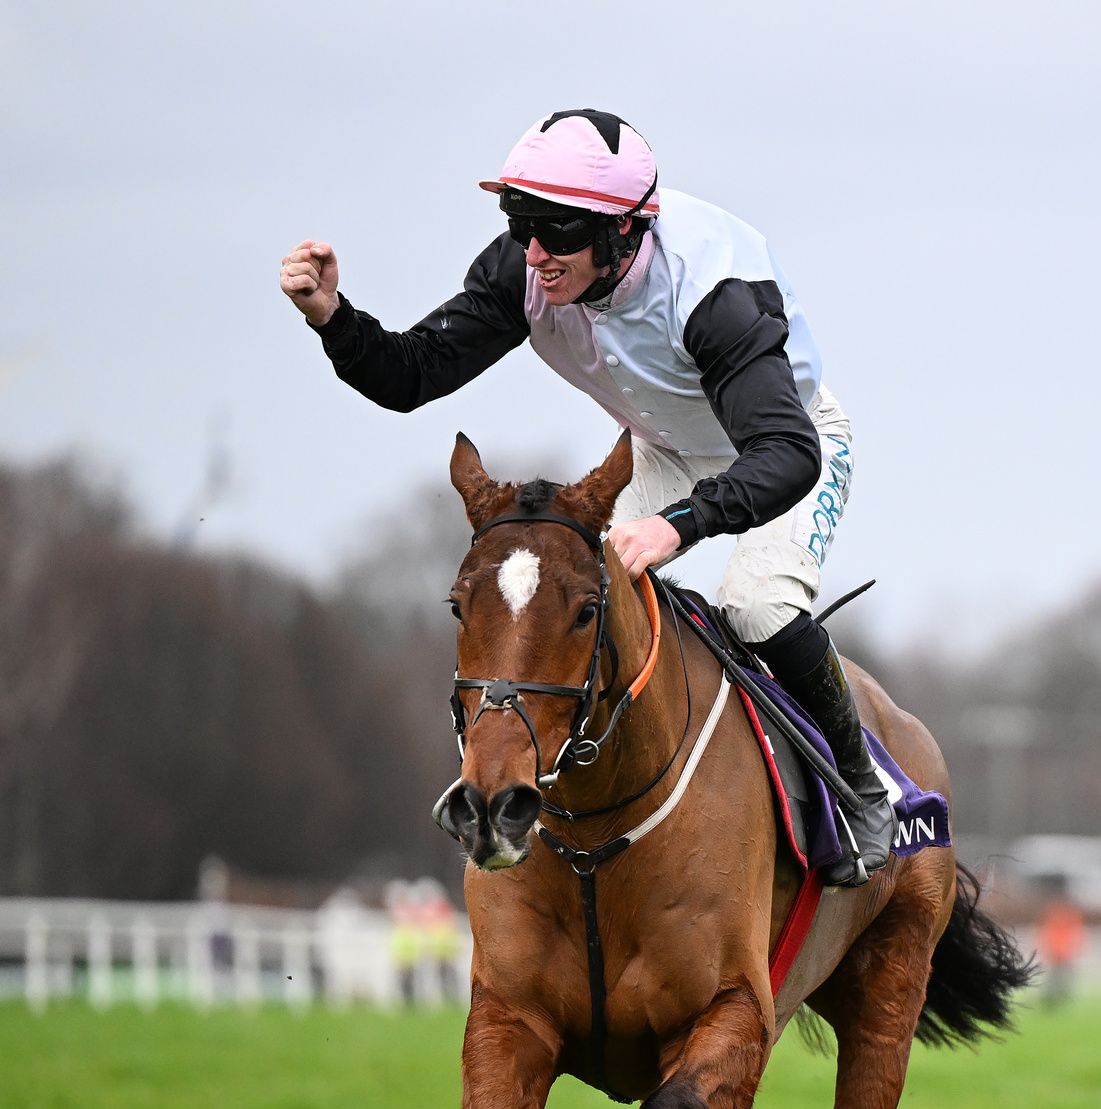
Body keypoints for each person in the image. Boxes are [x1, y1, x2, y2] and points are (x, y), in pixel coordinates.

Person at [280, 109, 895, 885]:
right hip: (665, 450)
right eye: (521, 224)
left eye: (555, 231)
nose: (533, 252)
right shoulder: (529, 268)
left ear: (624, 233)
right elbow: (412, 375)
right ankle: (520, 791)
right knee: (567, 601)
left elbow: (785, 453)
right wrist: (333, 320)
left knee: (759, 607)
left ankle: (859, 786)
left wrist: (682, 526)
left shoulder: (716, 295)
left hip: (782, 445)